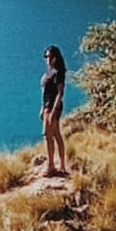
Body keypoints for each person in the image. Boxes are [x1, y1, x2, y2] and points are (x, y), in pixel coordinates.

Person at [40, 45, 67, 176]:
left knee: (47, 135)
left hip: (53, 107)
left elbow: (60, 94)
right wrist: (42, 108)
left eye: (50, 57)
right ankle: (61, 165)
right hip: (47, 105)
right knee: (56, 135)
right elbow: (45, 93)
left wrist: (52, 112)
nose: (48, 59)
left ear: (56, 57)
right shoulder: (49, 73)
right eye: (46, 57)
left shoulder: (58, 73)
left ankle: (51, 165)